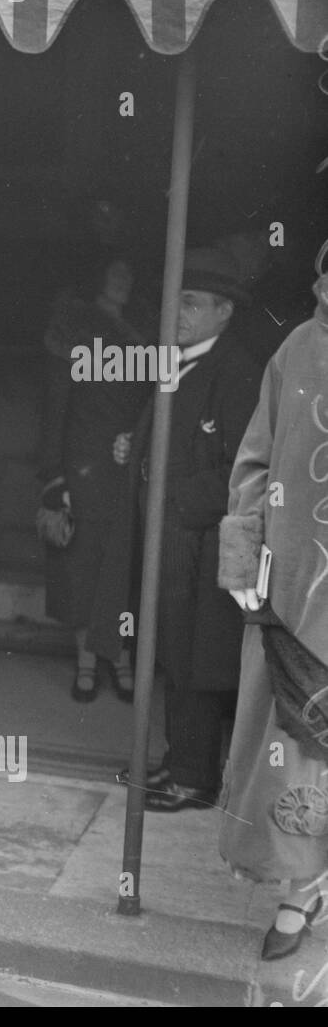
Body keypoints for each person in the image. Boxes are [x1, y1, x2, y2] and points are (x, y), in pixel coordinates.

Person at [90, 248, 263, 810]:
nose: (180, 313)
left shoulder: (235, 371)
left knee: (196, 663)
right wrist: (134, 449)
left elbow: (243, 464)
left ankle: (195, 778)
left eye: (192, 304)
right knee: (171, 656)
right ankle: (178, 763)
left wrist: (172, 496)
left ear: (224, 311)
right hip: (168, 541)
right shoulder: (179, 362)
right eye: (177, 302)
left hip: (198, 543)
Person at [216, 241, 328, 961]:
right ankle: (301, 886)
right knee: (301, 736)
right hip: (296, 585)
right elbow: (255, 458)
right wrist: (240, 558)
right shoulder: (299, 347)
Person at [38, 256, 153, 702]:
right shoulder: (73, 328)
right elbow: (54, 408)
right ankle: (87, 661)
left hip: (129, 463)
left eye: (129, 270)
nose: (124, 278)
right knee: (84, 567)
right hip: (84, 465)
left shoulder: (143, 327)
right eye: (115, 271)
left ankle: (119, 657)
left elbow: (153, 399)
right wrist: (53, 476)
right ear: (97, 276)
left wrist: (140, 439)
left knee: (121, 566)